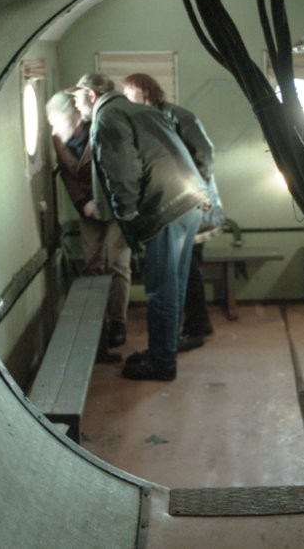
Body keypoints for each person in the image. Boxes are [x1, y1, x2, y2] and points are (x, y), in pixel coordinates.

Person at [67, 73, 208, 381]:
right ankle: (164, 350)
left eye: (77, 98)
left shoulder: (106, 118)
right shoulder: (141, 110)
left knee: (161, 290)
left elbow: (123, 173)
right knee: (175, 285)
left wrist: (128, 219)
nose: (75, 106)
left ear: (91, 95)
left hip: (166, 208)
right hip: (191, 202)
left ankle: (162, 363)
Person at [121, 73, 224, 353]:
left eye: (129, 93)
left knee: (188, 269)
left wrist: (195, 190)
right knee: (185, 269)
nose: (126, 99)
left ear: (145, 92)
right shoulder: (151, 118)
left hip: (192, 203)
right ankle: (197, 324)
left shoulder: (178, 116)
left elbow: (205, 153)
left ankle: (195, 327)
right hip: (182, 203)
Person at [45, 91, 130, 359]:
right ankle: (97, 325)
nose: (54, 129)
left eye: (58, 122)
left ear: (75, 119)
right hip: (87, 208)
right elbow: (68, 176)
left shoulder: (101, 129)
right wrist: (83, 203)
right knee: (91, 265)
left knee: (117, 263)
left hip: (114, 205)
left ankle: (118, 322)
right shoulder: (58, 139)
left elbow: (120, 168)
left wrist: (106, 201)